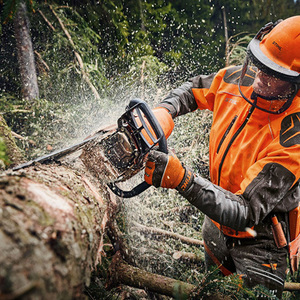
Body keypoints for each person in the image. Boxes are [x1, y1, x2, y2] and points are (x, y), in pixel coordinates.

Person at [144, 16, 300, 298]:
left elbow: (246, 211)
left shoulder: (293, 138)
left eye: (274, 74)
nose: (260, 77)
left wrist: (183, 180)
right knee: (210, 290)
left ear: (295, 83)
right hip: (215, 223)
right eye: (261, 65)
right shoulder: (235, 80)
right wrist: (164, 111)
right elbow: (193, 90)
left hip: (260, 243)